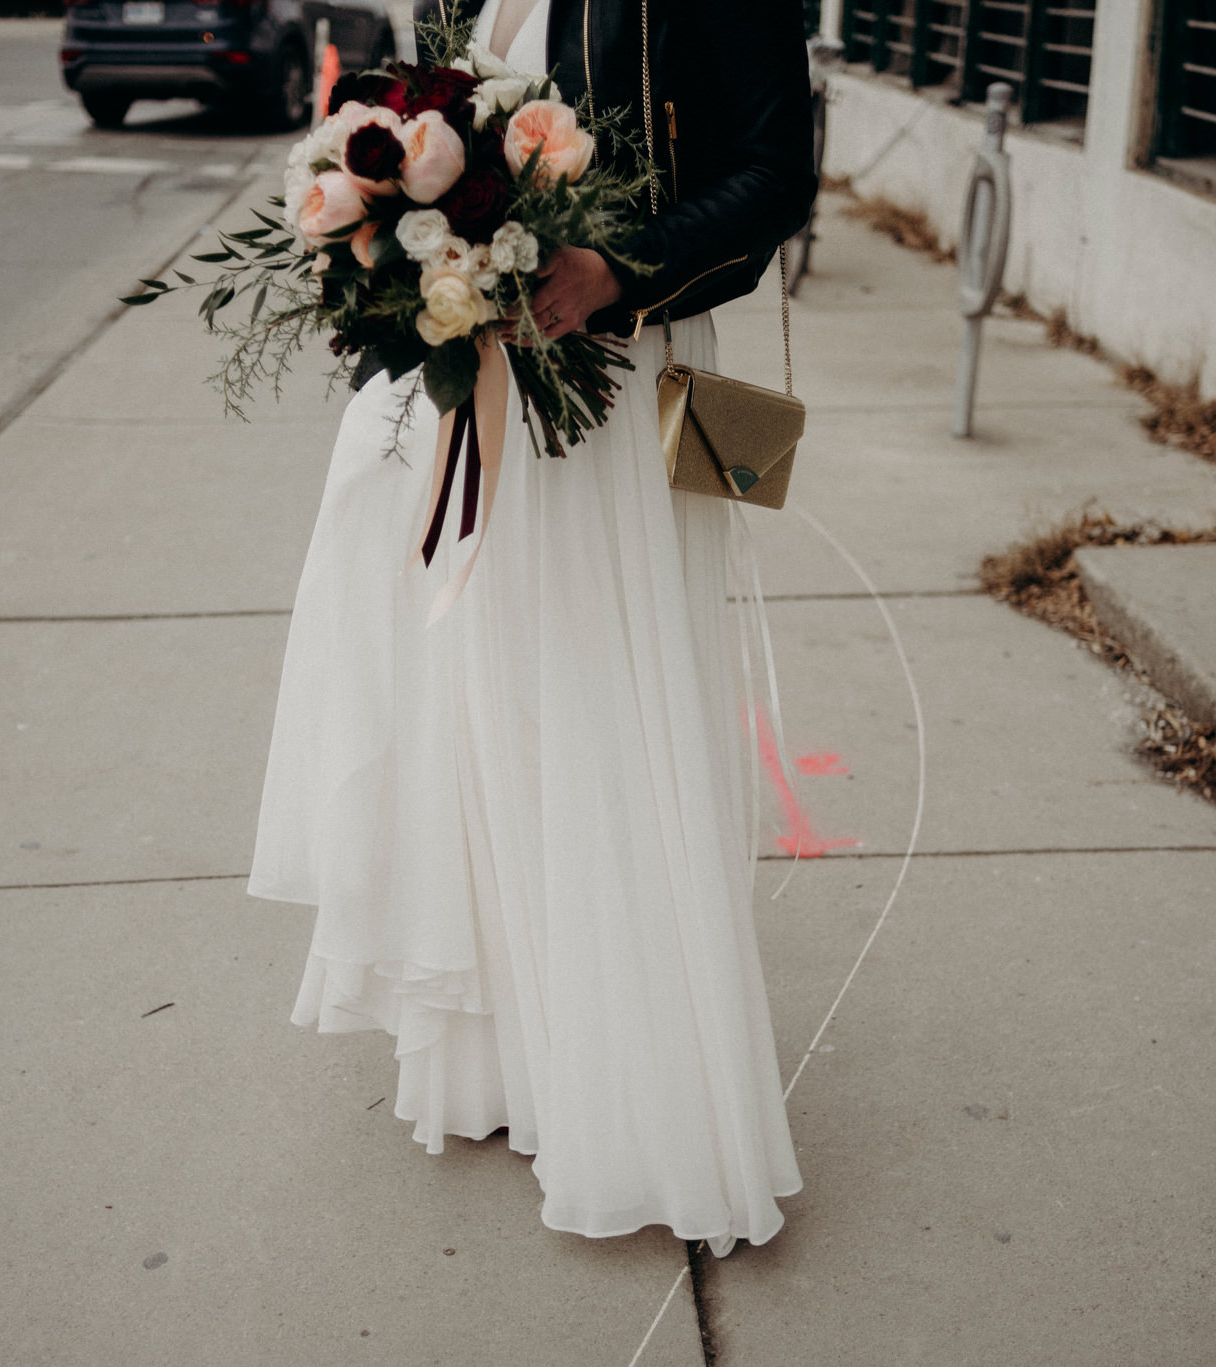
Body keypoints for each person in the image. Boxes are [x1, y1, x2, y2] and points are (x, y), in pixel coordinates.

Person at [248, 0, 817, 1256]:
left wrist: (620, 267)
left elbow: (774, 174)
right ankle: (512, 1056)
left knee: (604, 718)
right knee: (486, 715)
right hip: (469, 389)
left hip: (605, 400)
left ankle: (636, 1095)